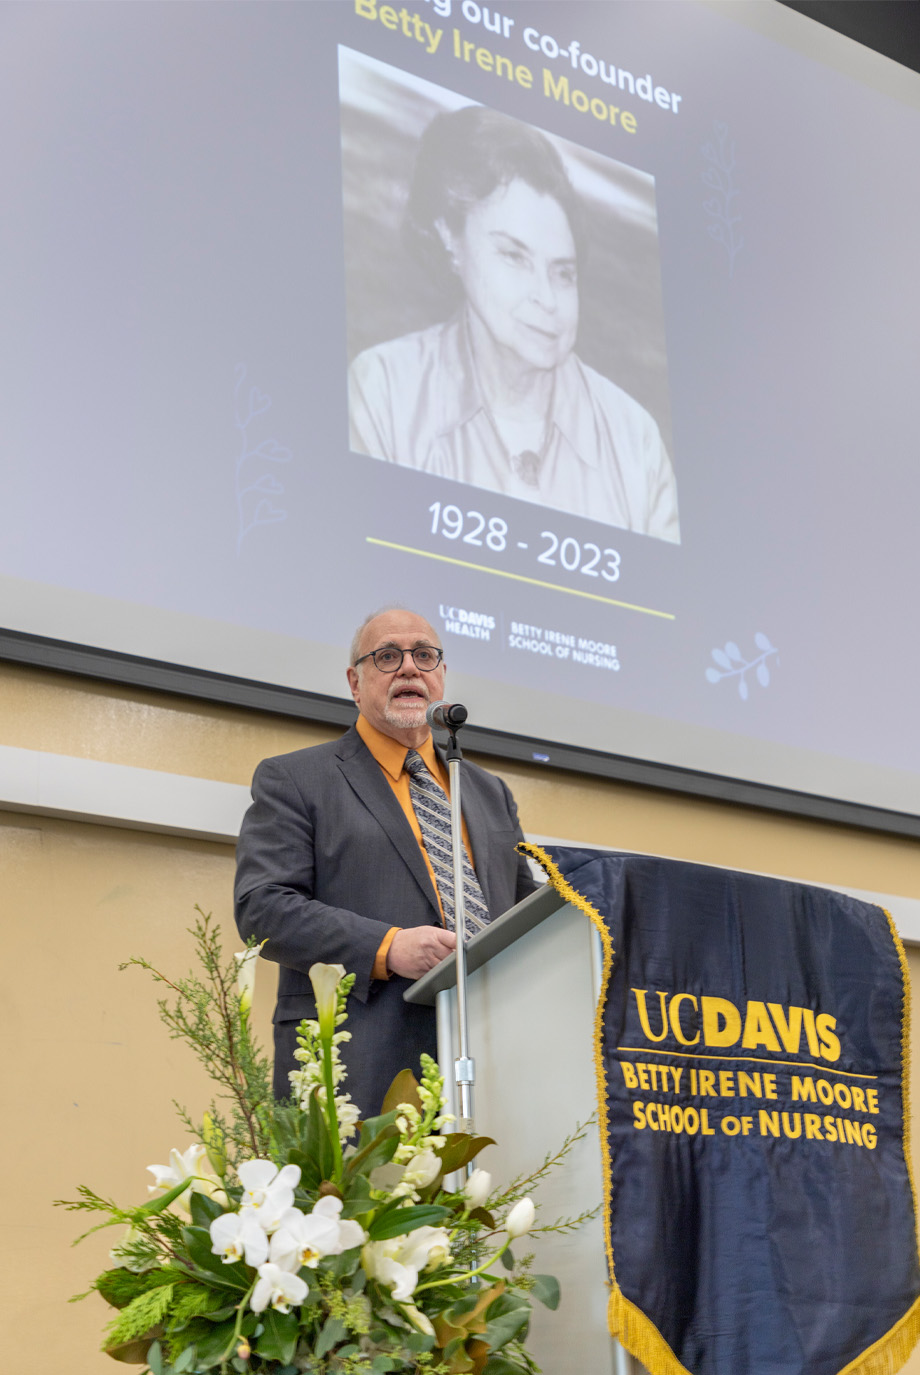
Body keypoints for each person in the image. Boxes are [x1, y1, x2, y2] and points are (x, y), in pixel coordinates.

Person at [234, 607, 537, 1118]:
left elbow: (524, 909)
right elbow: (263, 910)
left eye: (424, 656)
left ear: (441, 676)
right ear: (355, 682)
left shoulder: (486, 790)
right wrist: (388, 946)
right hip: (363, 1061)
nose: (409, 669)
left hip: (493, 1054)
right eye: (388, 657)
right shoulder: (296, 779)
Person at [348, 104, 680, 543]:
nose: (548, 299)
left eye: (563, 273)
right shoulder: (384, 393)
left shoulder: (635, 441)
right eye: (514, 257)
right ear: (450, 239)